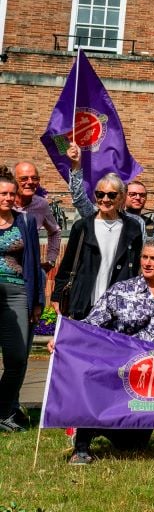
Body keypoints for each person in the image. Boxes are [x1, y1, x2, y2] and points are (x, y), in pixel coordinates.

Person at [61, 237, 154, 464]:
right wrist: (64, 339)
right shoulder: (121, 291)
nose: (147, 262)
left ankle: (104, 428)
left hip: (151, 381)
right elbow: (91, 324)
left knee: (132, 446)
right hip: (117, 371)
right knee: (93, 382)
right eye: (144, 257)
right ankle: (82, 444)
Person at [53, 174, 143, 320]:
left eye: (111, 195)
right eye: (100, 194)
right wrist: (57, 296)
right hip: (84, 301)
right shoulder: (82, 227)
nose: (105, 199)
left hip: (119, 304)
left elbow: (138, 267)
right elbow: (67, 264)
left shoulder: (132, 228)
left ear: (121, 197)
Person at [0, 177, 44, 431]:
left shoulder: (24, 221)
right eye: (3, 193)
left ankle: (4, 408)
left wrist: (37, 301)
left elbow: (34, 263)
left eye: (11, 194)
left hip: (17, 292)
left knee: (17, 358)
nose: (7, 198)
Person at [12, 161, 61, 272]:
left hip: (30, 271)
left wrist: (51, 260)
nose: (30, 182)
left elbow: (55, 231)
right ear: (13, 181)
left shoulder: (41, 205)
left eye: (34, 178)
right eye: (24, 178)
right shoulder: (5, 204)